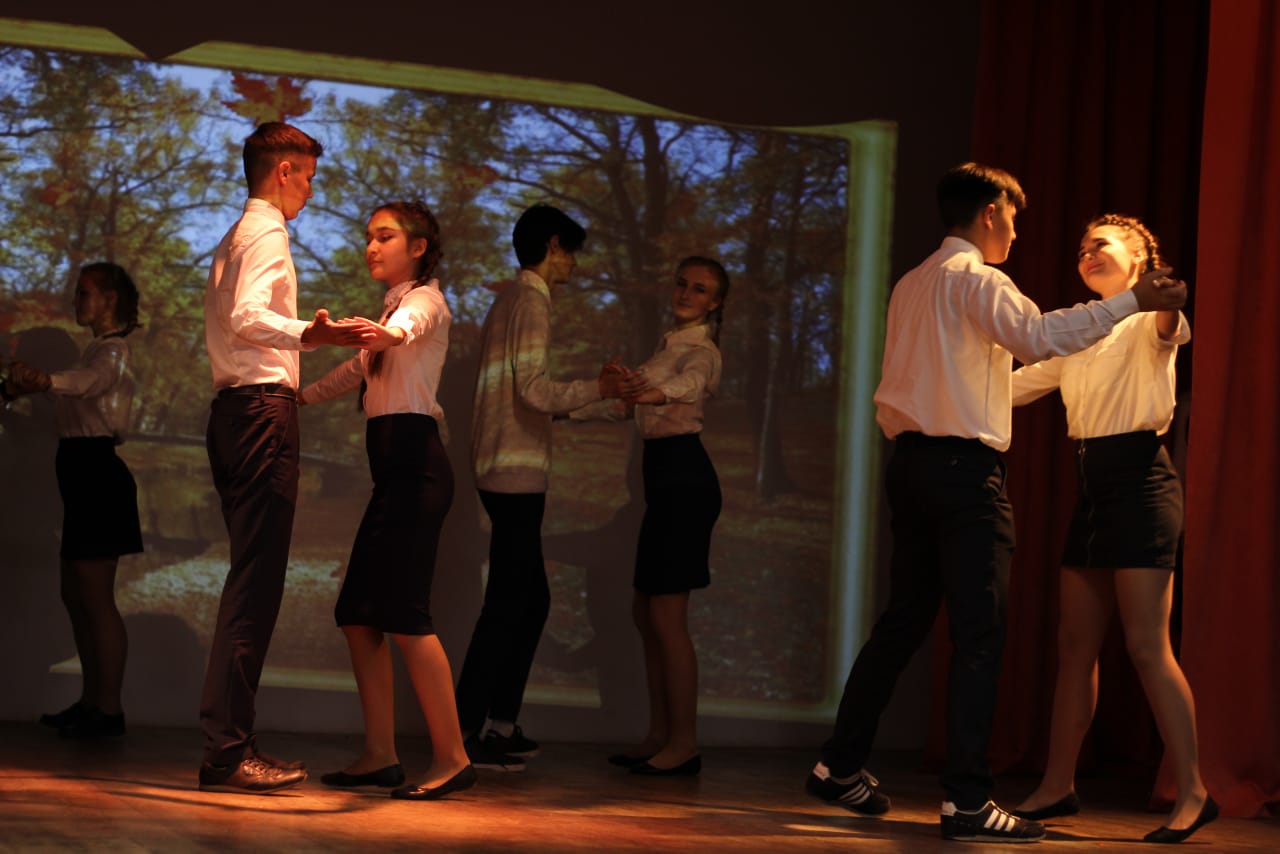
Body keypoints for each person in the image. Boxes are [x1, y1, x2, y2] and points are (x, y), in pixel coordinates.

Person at [804, 163, 1188, 843]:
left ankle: (839, 764)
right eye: (1012, 217)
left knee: (903, 622)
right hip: (963, 475)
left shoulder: (913, 282)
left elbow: (989, 377)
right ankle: (968, 801)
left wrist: (1146, 299)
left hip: (914, 466)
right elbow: (1038, 343)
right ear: (990, 212)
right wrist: (1128, 300)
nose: (1017, 231)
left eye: (1100, 244)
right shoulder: (979, 280)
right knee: (979, 636)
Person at [1010, 215, 1215, 844]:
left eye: (1101, 244)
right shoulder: (1079, 330)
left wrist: (1164, 297)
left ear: (1139, 259)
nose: (1087, 253)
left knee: (1148, 646)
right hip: (1093, 494)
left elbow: (1170, 321)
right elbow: (1009, 389)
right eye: (1081, 248)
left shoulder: (1148, 319)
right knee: (1075, 647)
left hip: (1144, 487)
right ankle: (1057, 785)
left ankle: (1195, 791)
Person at [199, 122, 373, 794]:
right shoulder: (266, 231)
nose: (311, 191)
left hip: (238, 412)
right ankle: (228, 750)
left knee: (250, 579)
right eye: (309, 177)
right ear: (283, 172)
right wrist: (313, 334)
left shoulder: (234, 235)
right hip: (258, 414)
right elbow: (247, 318)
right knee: (256, 583)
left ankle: (226, 746)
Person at [299, 201, 475, 800]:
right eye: (368, 237)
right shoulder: (392, 308)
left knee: (404, 616)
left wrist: (388, 332)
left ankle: (453, 757)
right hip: (395, 477)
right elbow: (357, 370)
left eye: (385, 236)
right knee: (357, 615)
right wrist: (297, 397)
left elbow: (410, 328)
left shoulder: (424, 301)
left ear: (418, 247)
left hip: (418, 473)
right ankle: (380, 754)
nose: (371, 247)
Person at [455, 203, 636, 771]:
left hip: (502, 462)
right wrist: (599, 389)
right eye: (572, 252)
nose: (574, 264)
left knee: (529, 600)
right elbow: (533, 391)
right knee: (510, 603)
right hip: (513, 470)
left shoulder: (510, 299)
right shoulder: (531, 300)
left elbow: (523, 397)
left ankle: (498, 725)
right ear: (554, 245)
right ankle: (463, 732)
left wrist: (602, 406)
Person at [588, 256, 727, 777]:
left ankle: (684, 742)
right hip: (662, 481)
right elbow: (632, 404)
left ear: (715, 303)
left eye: (700, 289)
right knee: (646, 613)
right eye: (682, 284)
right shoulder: (666, 345)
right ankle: (660, 734)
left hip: (685, 481)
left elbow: (692, 384)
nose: (687, 294)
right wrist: (621, 388)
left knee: (667, 616)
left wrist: (654, 391)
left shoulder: (701, 351)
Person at [3, 263, 143, 739]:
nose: (76, 302)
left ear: (109, 299)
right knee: (77, 593)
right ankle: (92, 702)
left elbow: (87, 383)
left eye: (84, 294)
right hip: (82, 475)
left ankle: (108, 709)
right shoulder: (97, 349)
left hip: (97, 476)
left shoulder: (113, 351)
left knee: (95, 596)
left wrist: (43, 380)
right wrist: (31, 388)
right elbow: (75, 396)